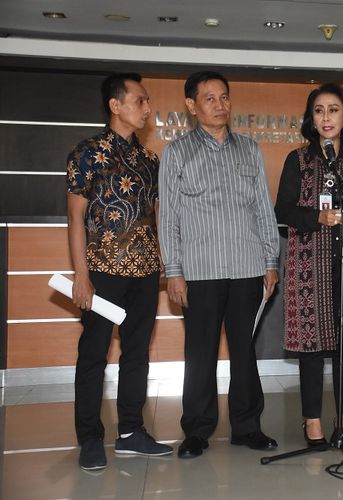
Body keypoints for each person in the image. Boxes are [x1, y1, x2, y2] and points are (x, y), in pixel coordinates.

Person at [159, 71, 280, 459]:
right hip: (200, 272)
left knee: (245, 350)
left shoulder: (249, 149)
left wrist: (270, 260)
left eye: (224, 97)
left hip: (247, 268)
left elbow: (263, 208)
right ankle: (197, 430)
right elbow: (169, 217)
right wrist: (173, 270)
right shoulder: (177, 152)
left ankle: (247, 426)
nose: (220, 105)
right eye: (209, 99)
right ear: (191, 106)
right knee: (201, 353)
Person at [66, 73, 173, 470]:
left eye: (147, 102)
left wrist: (164, 261)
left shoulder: (150, 160)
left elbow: (156, 217)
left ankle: (131, 432)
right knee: (93, 354)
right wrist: (81, 274)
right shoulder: (87, 152)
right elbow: (75, 219)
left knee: (136, 354)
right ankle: (89, 437)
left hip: (145, 273)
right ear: (116, 105)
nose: (147, 108)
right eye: (140, 101)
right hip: (101, 271)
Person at [275, 83, 343, 448]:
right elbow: (283, 211)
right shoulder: (298, 160)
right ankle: (313, 422)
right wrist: (317, 218)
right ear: (311, 119)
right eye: (319, 111)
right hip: (309, 263)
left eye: (333, 110)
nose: (326, 117)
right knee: (311, 346)